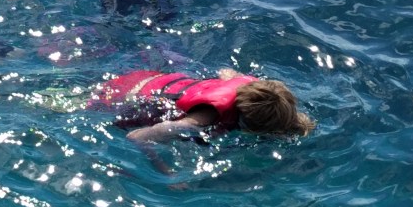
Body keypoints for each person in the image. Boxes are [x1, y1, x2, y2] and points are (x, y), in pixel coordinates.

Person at [86, 67, 315, 143]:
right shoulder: (203, 118)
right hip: (124, 97)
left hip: (155, 77)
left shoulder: (251, 86)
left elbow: (225, 73)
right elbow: (136, 137)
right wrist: (167, 174)